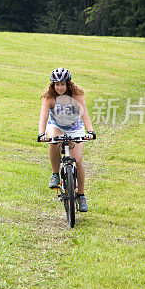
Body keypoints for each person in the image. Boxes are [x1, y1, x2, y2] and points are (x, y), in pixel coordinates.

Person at [37, 68, 95, 212]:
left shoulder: (76, 96)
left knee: (78, 161)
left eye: (62, 84)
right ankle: (55, 174)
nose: (60, 87)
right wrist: (41, 133)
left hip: (75, 129)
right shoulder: (48, 97)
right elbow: (44, 117)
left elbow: (85, 114)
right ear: (52, 85)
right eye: (57, 84)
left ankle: (81, 196)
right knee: (54, 140)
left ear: (68, 84)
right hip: (56, 126)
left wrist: (90, 131)